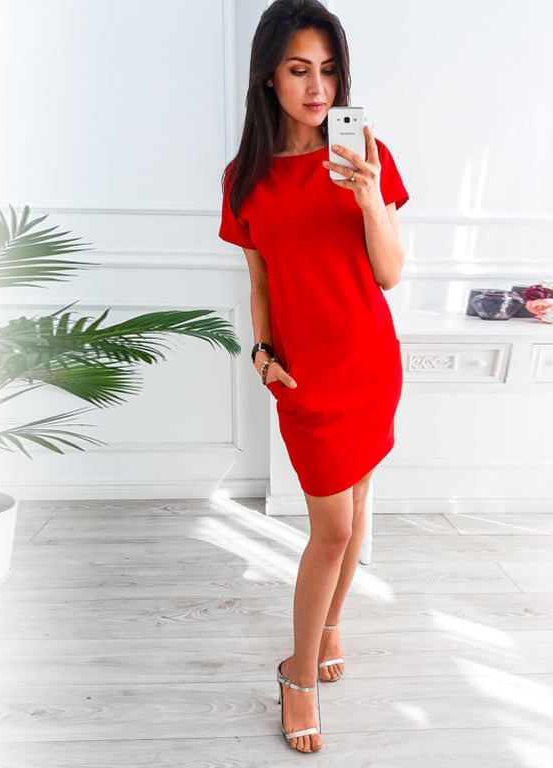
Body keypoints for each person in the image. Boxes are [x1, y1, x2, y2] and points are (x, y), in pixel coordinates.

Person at [219, 0, 408, 754]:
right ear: (269, 77)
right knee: (331, 532)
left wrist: (368, 198)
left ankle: (329, 625)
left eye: (328, 70)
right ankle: (297, 675)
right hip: (306, 381)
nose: (317, 87)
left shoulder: (368, 156)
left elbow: (389, 274)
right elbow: (260, 282)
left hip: (370, 364)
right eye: (299, 70)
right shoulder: (244, 179)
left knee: (353, 515)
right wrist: (262, 355)